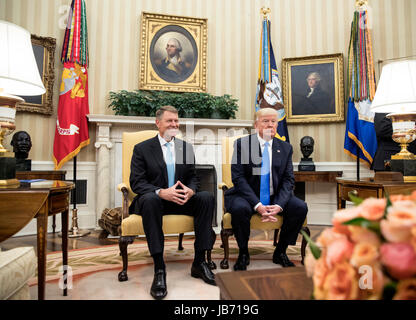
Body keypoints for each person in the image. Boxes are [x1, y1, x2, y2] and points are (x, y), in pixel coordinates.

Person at [128, 105, 216, 300]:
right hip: (155, 200)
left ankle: (199, 262)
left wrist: (191, 190)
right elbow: (137, 182)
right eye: (170, 121)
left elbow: (193, 177)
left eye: (176, 121)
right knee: (150, 199)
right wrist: (161, 192)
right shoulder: (142, 149)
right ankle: (159, 269)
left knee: (206, 197)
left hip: (180, 199)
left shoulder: (185, 147)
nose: (174, 124)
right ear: (158, 123)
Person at [224, 107, 308, 271]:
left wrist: (279, 205)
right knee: (239, 209)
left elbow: (288, 180)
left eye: (273, 121)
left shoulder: (285, 148)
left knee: (299, 207)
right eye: (265, 121)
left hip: (275, 195)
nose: (270, 125)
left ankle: (281, 251)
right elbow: (238, 178)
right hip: (247, 195)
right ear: (256, 125)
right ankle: (243, 252)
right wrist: (257, 205)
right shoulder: (242, 145)